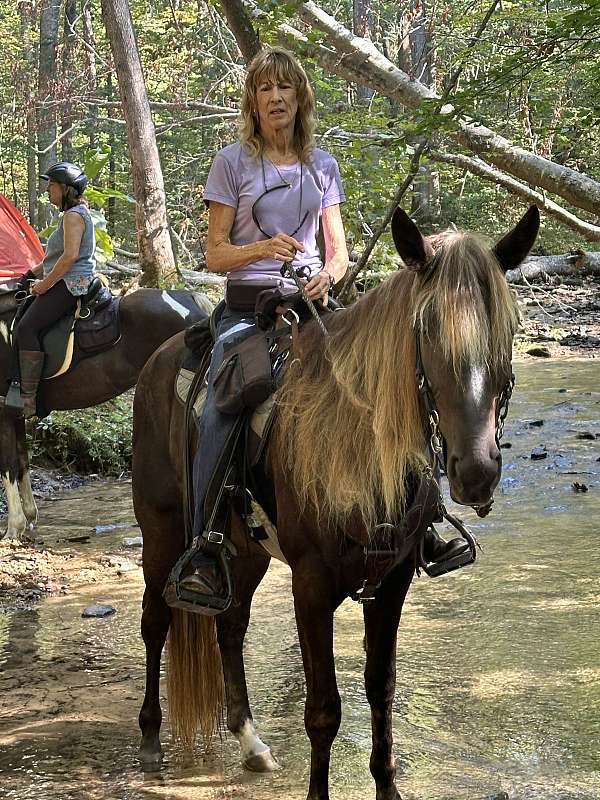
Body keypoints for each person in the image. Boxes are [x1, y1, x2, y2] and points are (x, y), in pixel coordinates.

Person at [180, 47, 467, 606]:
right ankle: (207, 544)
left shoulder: (323, 165)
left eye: (286, 87)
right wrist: (261, 248)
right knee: (222, 404)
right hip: (248, 310)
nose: (276, 97)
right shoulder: (231, 162)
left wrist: (326, 277)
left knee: (394, 383)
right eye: (266, 89)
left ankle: (426, 519)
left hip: (315, 306)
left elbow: (337, 253)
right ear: (254, 101)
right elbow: (214, 255)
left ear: (300, 98)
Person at [9, 162, 96, 418]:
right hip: (69, 278)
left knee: (26, 327)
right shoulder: (75, 213)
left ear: (66, 189)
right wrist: (29, 274)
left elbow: (68, 258)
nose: (48, 190)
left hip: (70, 284)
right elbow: (54, 255)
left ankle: (28, 399)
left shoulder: (72, 216)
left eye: (52, 186)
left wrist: (43, 286)